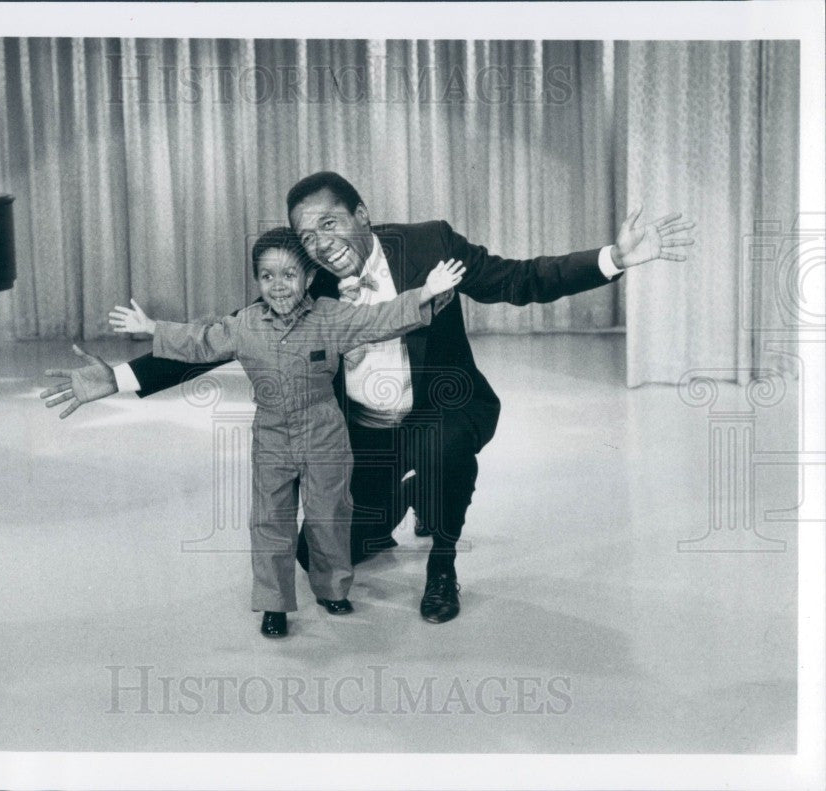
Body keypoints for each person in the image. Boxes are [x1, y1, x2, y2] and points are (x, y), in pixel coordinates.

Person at [41, 172, 695, 625]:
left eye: (332, 225)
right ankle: (389, 508)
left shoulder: (430, 245)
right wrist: (121, 379)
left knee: (440, 449)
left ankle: (442, 558)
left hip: (443, 406)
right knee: (319, 555)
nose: (323, 243)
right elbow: (226, 336)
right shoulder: (310, 283)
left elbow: (517, 280)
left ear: (361, 216)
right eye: (309, 236)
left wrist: (612, 257)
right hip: (363, 434)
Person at [101, 227, 465, 637]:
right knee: (270, 522)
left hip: (325, 432)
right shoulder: (245, 325)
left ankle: (332, 589)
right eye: (267, 276)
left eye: (289, 275)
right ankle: (274, 605)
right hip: (272, 436)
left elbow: (377, 319)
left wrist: (424, 293)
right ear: (257, 281)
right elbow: (201, 341)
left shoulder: (330, 316)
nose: (278, 286)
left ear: (309, 278)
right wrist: (153, 328)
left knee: (329, 516)